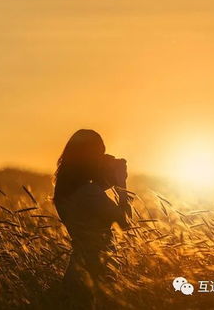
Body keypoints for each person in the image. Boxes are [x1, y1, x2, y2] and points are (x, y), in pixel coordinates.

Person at [53, 129, 133, 309]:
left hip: (78, 269)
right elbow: (126, 223)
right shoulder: (88, 193)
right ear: (88, 158)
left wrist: (109, 177)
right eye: (99, 154)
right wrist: (121, 184)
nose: (101, 159)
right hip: (95, 270)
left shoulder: (66, 191)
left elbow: (92, 198)